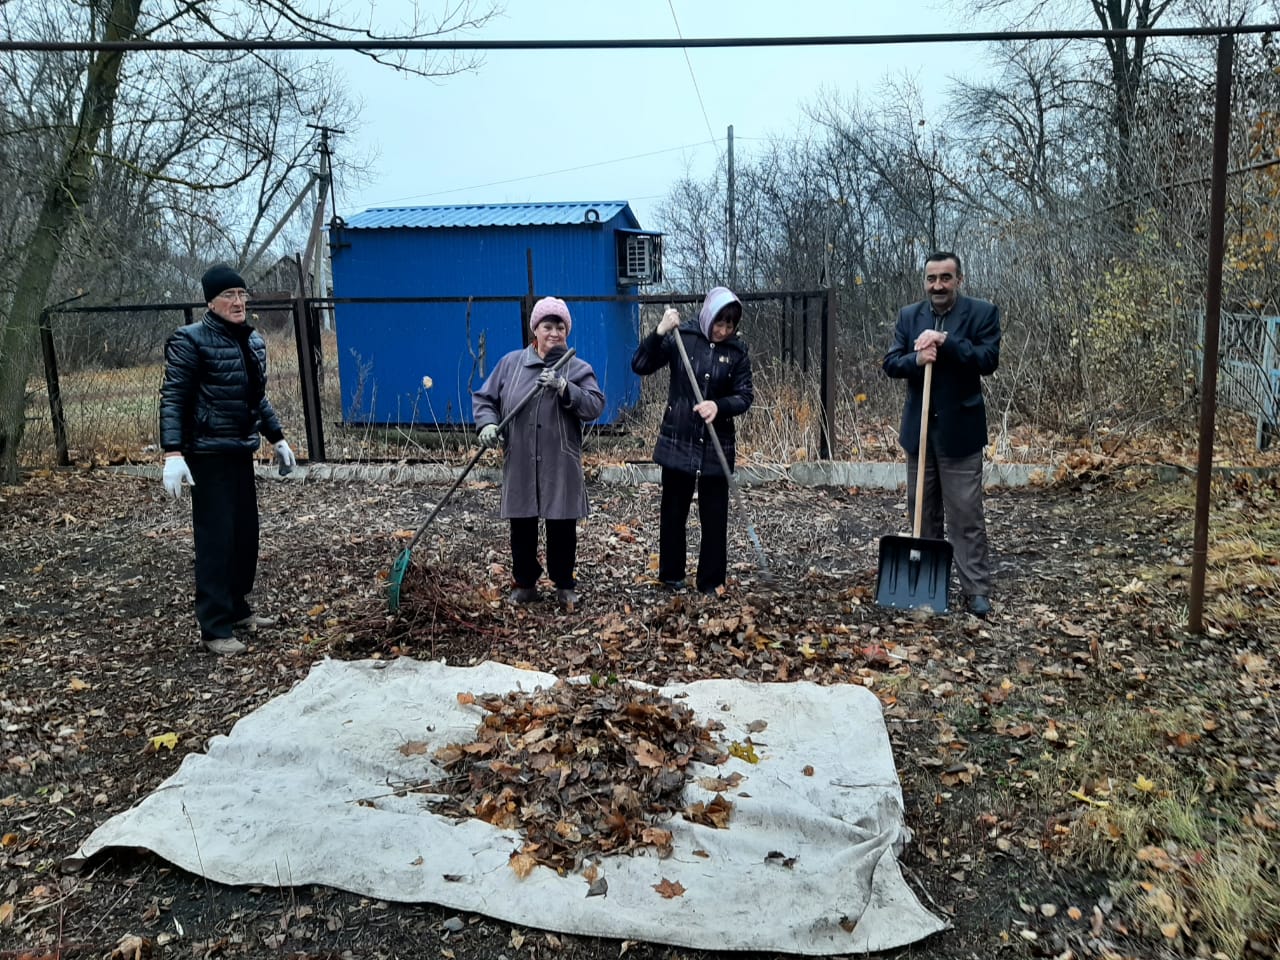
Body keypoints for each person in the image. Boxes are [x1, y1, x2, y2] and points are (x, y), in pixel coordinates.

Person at [158, 264, 297, 654]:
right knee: (216, 541)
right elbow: (174, 398)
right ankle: (216, 628)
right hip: (206, 454)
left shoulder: (251, 342)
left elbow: (255, 397)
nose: (238, 303)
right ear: (211, 302)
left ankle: (237, 609)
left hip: (239, 451)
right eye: (229, 296)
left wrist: (277, 437)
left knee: (244, 537)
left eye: (242, 295)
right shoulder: (190, 341)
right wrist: (172, 452)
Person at [883, 251, 1001, 617]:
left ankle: (975, 589)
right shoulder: (909, 316)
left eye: (945, 278)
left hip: (960, 433)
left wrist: (946, 342)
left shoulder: (982, 313)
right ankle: (928, 586)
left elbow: (987, 360)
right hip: (919, 433)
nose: (938, 285)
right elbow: (891, 363)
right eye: (932, 278)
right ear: (925, 281)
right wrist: (916, 361)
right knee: (922, 514)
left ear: (959, 280)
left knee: (965, 514)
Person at [472, 296, 605, 608]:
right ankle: (525, 582)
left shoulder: (577, 367)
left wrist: (564, 387)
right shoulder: (511, 364)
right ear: (536, 329)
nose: (554, 332)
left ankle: (563, 583)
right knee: (522, 524)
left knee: (561, 525)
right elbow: (485, 398)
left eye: (560, 326)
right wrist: (487, 424)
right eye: (548, 326)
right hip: (519, 457)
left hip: (560, 459)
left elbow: (595, 405)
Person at [631, 287, 754, 596]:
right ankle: (671, 576)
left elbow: (744, 396)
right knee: (673, 513)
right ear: (708, 315)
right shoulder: (681, 337)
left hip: (717, 445)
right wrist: (658, 332)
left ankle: (711, 582)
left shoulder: (737, 352)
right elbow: (640, 365)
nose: (723, 330)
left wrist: (719, 405)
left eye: (730, 325)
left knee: (715, 518)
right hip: (679, 440)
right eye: (719, 323)